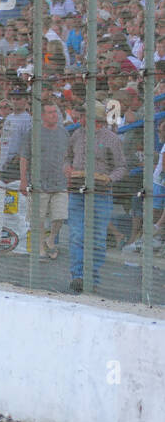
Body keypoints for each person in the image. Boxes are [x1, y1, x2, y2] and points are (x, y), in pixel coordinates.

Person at [65, 101, 127, 293]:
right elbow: (67, 157)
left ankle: (92, 275)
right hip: (77, 191)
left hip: (100, 192)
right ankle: (78, 276)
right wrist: (66, 168)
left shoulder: (111, 139)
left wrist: (109, 178)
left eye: (84, 115)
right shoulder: (76, 135)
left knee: (98, 237)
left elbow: (122, 167)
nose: (80, 118)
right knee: (76, 235)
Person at [19, 101, 70, 260]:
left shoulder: (64, 133)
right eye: (50, 112)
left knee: (60, 215)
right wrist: (23, 180)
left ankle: (51, 239)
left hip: (60, 182)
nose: (54, 115)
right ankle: (40, 246)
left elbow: (68, 156)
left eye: (55, 112)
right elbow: (24, 157)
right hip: (39, 182)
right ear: (42, 116)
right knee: (38, 218)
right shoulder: (33, 133)